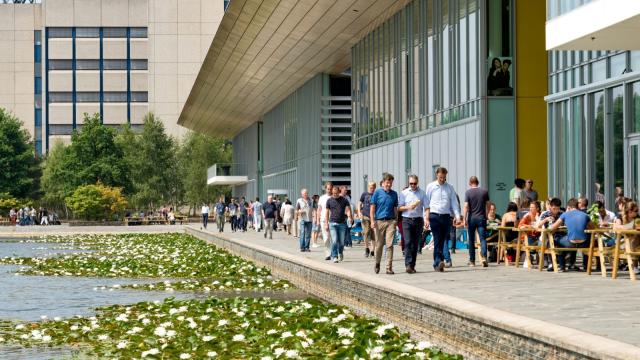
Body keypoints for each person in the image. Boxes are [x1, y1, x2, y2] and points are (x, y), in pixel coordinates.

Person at [424, 167, 461, 272]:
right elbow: (426, 203)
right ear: (437, 175)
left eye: (444, 177)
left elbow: (454, 202)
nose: (442, 179)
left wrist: (457, 216)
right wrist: (425, 218)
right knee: (437, 239)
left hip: (446, 216)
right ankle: (438, 261)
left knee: (444, 239)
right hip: (434, 215)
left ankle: (438, 262)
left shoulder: (450, 187)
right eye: (440, 177)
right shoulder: (431, 186)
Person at [548, 198, 594, 272]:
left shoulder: (565, 214)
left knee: (557, 240)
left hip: (570, 243)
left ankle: (562, 266)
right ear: (577, 206)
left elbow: (553, 227)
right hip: (584, 243)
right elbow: (594, 228)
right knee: (589, 238)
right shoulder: (585, 215)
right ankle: (586, 266)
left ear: (568, 207)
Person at [370, 173, 399, 274]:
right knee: (379, 245)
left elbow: (395, 208)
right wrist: (372, 220)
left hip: (391, 221)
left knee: (390, 245)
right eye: (387, 183)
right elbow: (372, 207)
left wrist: (396, 220)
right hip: (379, 221)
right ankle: (377, 262)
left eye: (390, 183)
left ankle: (388, 267)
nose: (389, 185)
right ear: (383, 183)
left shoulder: (394, 194)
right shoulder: (377, 193)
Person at [398, 174, 427, 274]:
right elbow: (399, 207)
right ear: (408, 183)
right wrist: (408, 207)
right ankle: (408, 264)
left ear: (417, 183)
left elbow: (426, 207)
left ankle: (412, 265)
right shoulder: (404, 193)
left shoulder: (422, 193)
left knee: (415, 244)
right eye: (411, 184)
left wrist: (427, 219)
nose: (413, 185)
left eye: (414, 183)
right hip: (406, 219)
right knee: (408, 242)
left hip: (418, 219)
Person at [463, 176, 490, 267]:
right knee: (483, 239)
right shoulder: (484, 191)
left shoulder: (468, 193)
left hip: (472, 218)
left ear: (470, 183)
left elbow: (466, 206)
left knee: (471, 240)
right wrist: (487, 214)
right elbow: (488, 204)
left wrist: (464, 219)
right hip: (481, 217)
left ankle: (472, 261)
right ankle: (484, 257)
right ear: (478, 182)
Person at [323, 186, 353, 263]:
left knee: (342, 242)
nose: (334, 195)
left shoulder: (344, 200)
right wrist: (326, 223)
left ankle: (340, 252)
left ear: (339, 192)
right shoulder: (329, 200)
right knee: (335, 240)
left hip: (342, 223)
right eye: (333, 193)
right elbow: (326, 213)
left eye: (336, 193)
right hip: (332, 223)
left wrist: (349, 217)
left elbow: (348, 209)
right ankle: (335, 256)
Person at [613, 201, 640, 274]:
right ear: (629, 211)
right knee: (633, 240)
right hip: (622, 241)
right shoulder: (620, 217)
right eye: (635, 211)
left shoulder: (637, 218)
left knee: (635, 238)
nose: (637, 212)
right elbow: (616, 227)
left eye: (637, 211)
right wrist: (629, 226)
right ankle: (634, 266)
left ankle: (635, 265)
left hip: (635, 240)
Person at [518, 201, 542, 265]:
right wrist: (529, 226)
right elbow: (520, 225)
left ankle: (542, 259)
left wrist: (537, 218)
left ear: (537, 209)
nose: (530, 209)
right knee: (530, 240)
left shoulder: (541, 215)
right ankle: (530, 256)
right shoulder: (527, 216)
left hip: (540, 235)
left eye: (532, 207)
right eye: (530, 207)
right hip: (529, 236)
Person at [358, 182, 377, 258]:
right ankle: (366, 248)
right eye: (370, 187)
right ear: (368, 187)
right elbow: (359, 203)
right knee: (366, 233)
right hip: (365, 216)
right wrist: (359, 212)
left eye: (373, 188)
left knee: (374, 235)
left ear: (375, 188)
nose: (371, 189)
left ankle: (372, 251)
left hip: (375, 217)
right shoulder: (364, 194)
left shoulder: (376, 195)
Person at [317, 182, 334, 260]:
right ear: (325, 189)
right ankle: (328, 253)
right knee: (326, 237)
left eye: (330, 189)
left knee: (333, 237)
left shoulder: (335, 197)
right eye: (328, 189)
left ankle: (333, 253)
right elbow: (319, 209)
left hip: (334, 219)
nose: (329, 190)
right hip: (323, 219)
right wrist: (317, 219)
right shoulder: (322, 198)